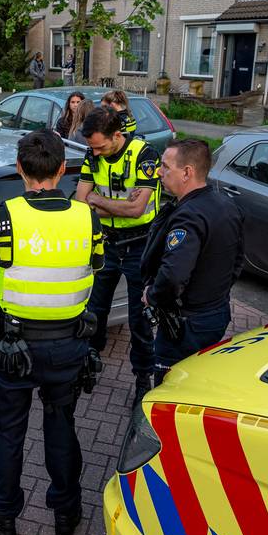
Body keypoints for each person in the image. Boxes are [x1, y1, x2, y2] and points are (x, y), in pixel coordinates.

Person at [0, 130, 104, 535]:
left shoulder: (2, 218)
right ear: (62, 169)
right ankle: (66, 515)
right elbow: (96, 265)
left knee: (9, 435)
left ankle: (3, 516)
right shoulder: (87, 218)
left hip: (14, 348)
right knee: (61, 429)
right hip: (68, 347)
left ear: (20, 168)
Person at [75, 108, 161, 407]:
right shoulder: (92, 154)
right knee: (95, 310)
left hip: (140, 245)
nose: (95, 153)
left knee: (140, 319)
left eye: (100, 146)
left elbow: (138, 210)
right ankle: (90, 362)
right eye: (92, 147)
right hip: (107, 243)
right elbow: (80, 203)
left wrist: (97, 200)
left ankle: (143, 380)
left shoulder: (144, 155)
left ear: (116, 135)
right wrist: (110, 205)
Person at [140, 140, 244, 384]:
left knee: (171, 386)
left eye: (166, 166)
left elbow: (173, 276)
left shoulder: (188, 216)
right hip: (215, 313)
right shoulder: (227, 205)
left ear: (187, 172)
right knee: (197, 382)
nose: (159, 172)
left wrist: (152, 295)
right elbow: (238, 261)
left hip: (188, 324)